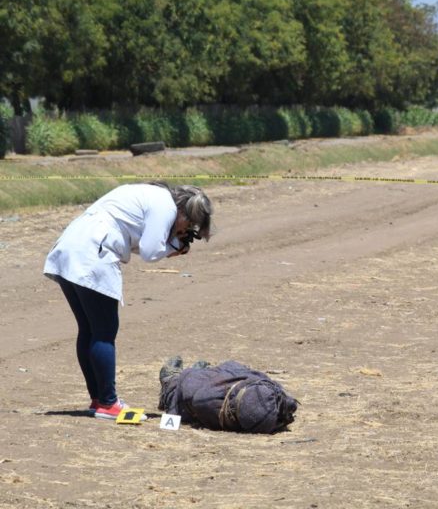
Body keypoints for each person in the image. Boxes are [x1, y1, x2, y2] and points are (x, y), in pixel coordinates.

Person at [43, 182, 213, 420]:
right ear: (185, 213)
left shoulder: (151, 196)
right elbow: (150, 252)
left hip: (71, 247)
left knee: (90, 330)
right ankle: (109, 403)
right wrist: (173, 247)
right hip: (93, 253)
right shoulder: (166, 209)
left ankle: (99, 400)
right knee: (104, 332)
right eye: (190, 225)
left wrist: (170, 241)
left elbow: (135, 241)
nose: (186, 230)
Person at [158, 356, 298, 433]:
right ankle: (198, 375)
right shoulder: (271, 393)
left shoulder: (207, 399)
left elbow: (197, 397)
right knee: (227, 368)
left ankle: (172, 382)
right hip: (239, 391)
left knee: (188, 384)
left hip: (200, 394)